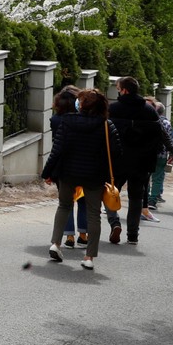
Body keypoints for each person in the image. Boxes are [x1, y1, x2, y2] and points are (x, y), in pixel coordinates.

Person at [41, 88, 123, 270]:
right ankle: (89, 257)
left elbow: (57, 150)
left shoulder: (67, 121)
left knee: (64, 206)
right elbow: (117, 152)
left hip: (68, 172)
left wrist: (47, 172)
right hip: (94, 175)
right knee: (94, 213)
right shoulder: (106, 125)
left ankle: (56, 243)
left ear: (81, 105)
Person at [106, 77, 173, 245]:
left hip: (117, 160)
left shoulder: (113, 109)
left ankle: (114, 222)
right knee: (136, 198)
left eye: (118, 88)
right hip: (142, 161)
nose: (118, 91)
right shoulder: (149, 110)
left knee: (109, 193)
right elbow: (163, 134)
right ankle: (133, 234)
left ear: (124, 90)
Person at [49, 86, 88, 249]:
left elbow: (55, 146)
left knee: (66, 202)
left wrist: (49, 171)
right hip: (84, 165)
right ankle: (83, 235)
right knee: (84, 200)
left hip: (62, 166)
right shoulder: (85, 119)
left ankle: (69, 236)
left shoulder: (55, 120)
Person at [147, 100, 173, 211]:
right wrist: (172, 153)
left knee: (146, 176)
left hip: (148, 153)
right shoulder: (166, 123)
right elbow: (169, 139)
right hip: (162, 154)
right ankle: (153, 200)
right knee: (158, 178)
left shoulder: (147, 120)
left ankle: (145, 197)